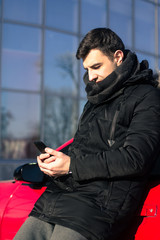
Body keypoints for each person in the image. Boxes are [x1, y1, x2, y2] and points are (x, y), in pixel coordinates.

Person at [14, 28, 160, 240]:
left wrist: (71, 165)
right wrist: (56, 162)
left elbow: (135, 158)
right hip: (58, 197)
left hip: (97, 208)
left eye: (96, 66)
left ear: (118, 57)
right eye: (87, 68)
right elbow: (81, 149)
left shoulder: (147, 97)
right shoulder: (95, 101)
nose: (91, 76)